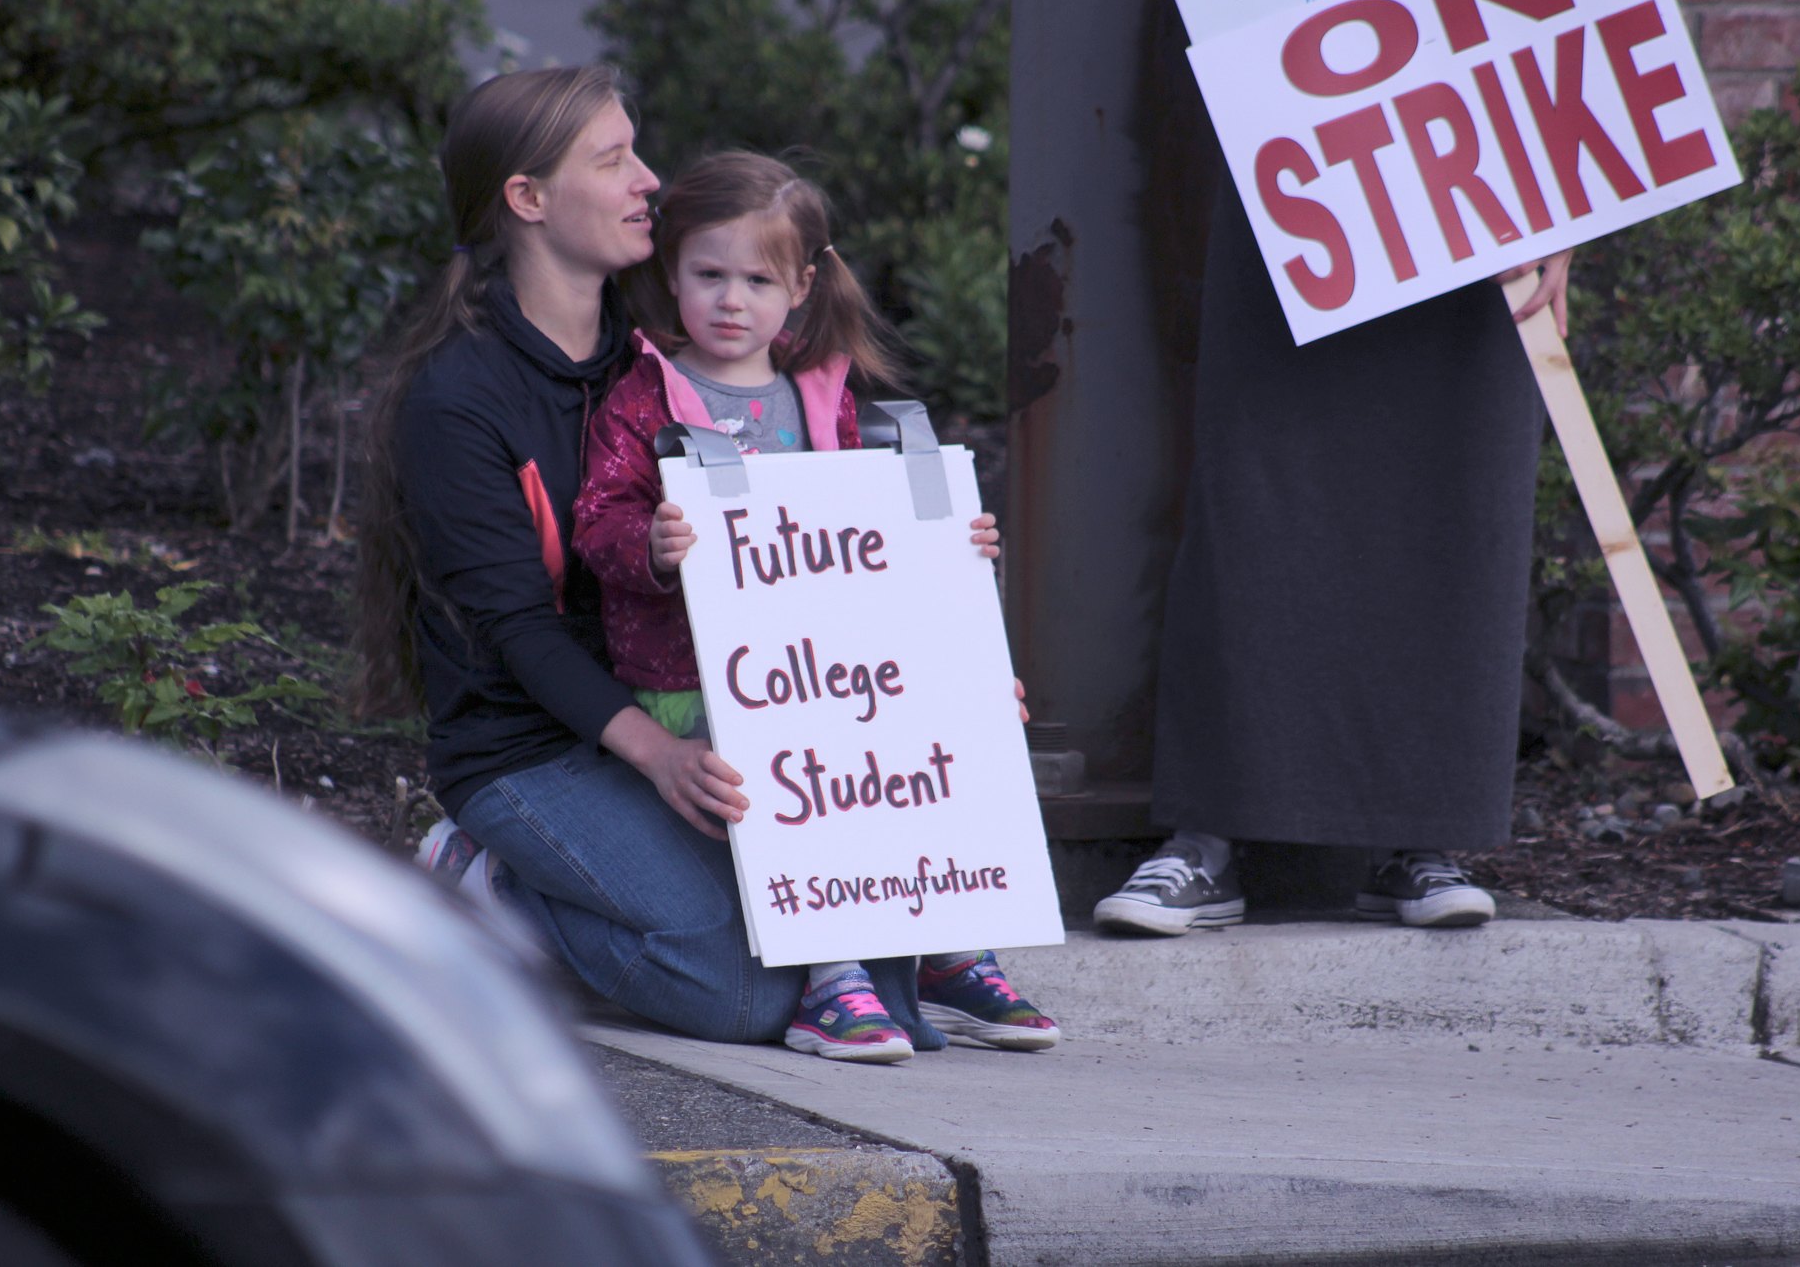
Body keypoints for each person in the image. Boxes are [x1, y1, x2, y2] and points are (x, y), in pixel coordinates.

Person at [352, 65, 952, 1050]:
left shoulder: (662, 360)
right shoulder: (457, 400)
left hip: (699, 702)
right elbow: (513, 632)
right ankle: (486, 884)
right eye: (614, 159)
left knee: (847, 950)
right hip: (531, 750)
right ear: (528, 199)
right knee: (745, 994)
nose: (649, 180)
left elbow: (806, 510)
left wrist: (934, 570)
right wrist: (658, 754)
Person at [571, 151, 1059, 1063]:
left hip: (823, 658)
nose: (730, 299)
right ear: (669, 274)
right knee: (794, 757)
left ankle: (951, 942)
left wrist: (948, 551)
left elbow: (856, 543)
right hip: (696, 676)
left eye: (757, 279)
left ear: (799, 286)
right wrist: (648, 546)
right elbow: (596, 520)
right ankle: (831, 978)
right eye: (708, 274)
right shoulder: (646, 396)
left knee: (939, 722)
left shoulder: (819, 395)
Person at [1092, 155, 1572, 938]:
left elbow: (1582, 30)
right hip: (1295, 123)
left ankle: (1422, 838)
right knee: (1257, 492)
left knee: (1453, 491)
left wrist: (1572, 203)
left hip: (1482, 158)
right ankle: (1208, 837)